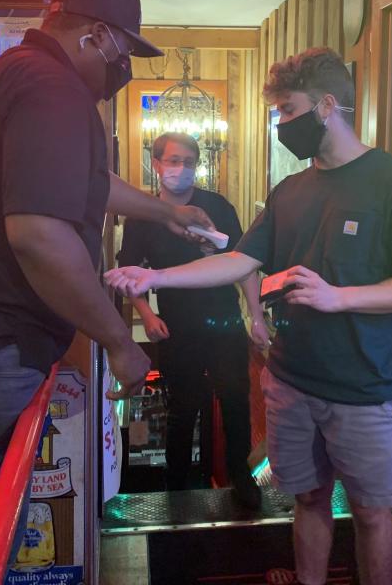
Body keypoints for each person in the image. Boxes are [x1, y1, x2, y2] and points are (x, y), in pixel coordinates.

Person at [0, 0, 215, 585]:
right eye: (128, 53)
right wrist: (117, 341)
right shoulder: (53, 90)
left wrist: (168, 211)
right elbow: (38, 234)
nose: (125, 72)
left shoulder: (12, 75)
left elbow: (84, 182)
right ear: (99, 38)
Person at [105, 48, 392, 585]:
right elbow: (239, 259)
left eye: (288, 111)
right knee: (307, 499)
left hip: (365, 387)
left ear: (327, 105)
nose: (282, 124)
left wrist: (341, 298)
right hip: (290, 382)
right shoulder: (289, 191)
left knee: (372, 512)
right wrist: (155, 279)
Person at [117, 131, 270, 508]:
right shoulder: (143, 216)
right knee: (182, 407)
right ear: (156, 164)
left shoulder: (217, 206)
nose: (181, 169)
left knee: (234, 397)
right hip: (175, 324)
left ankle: (240, 476)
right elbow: (129, 271)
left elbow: (244, 264)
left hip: (223, 319)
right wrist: (147, 315)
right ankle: (178, 488)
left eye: (189, 162)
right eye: (173, 160)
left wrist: (256, 315)